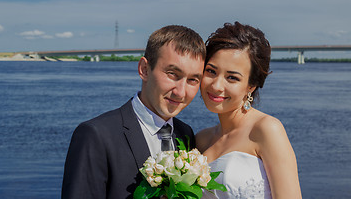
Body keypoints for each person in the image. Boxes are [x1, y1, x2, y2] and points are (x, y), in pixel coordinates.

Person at [61, 25, 206, 199]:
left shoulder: (185, 133)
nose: (181, 92)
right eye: (172, 74)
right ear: (144, 70)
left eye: (193, 80)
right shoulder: (96, 135)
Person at [197, 22, 302, 198]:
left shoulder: (266, 129)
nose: (216, 85)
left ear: (251, 86)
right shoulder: (201, 140)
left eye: (232, 77)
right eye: (211, 71)